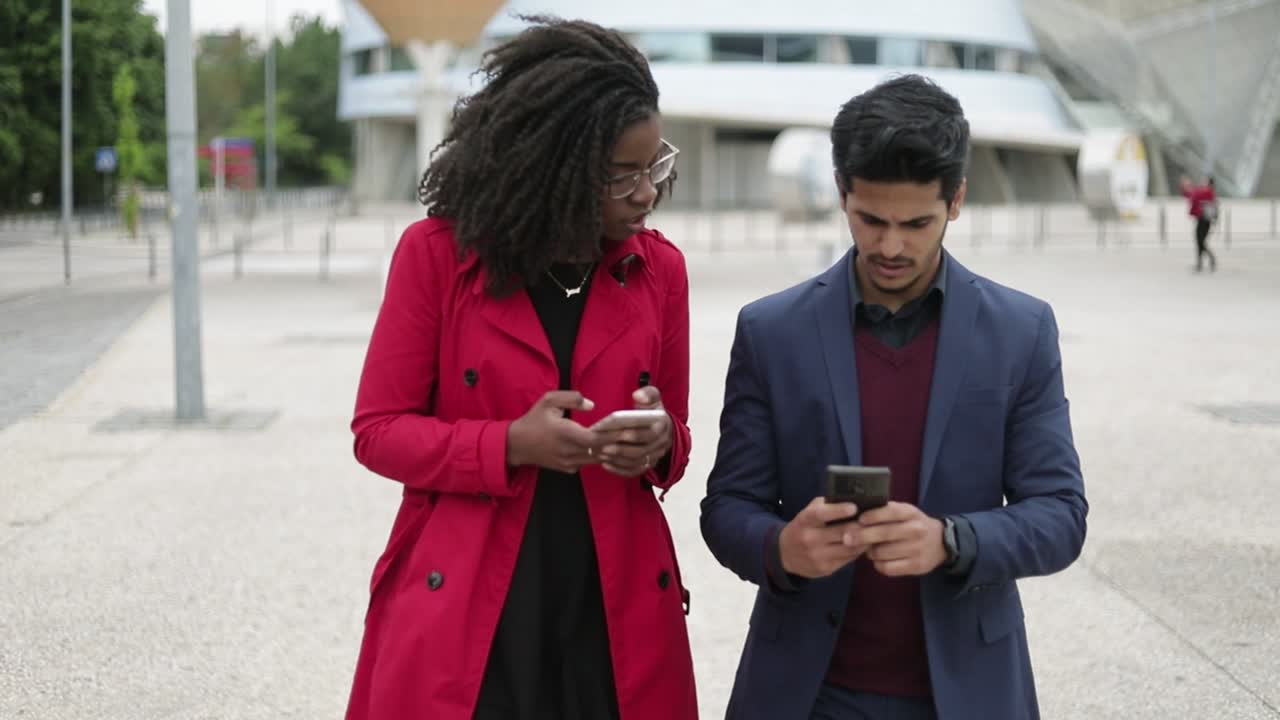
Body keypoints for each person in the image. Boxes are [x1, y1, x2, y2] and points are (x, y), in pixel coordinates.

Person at [700, 74, 1088, 720]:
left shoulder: (1022, 332)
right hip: (805, 694)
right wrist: (781, 549)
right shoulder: (771, 331)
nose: (889, 245)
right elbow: (727, 507)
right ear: (841, 192)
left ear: (957, 200)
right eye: (870, 219)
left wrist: (953, 540)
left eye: (916, 223)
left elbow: (1060, 515)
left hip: (966, 695)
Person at [344, 16, 696, 720]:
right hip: (473, 594)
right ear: (549, 168)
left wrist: (659, 443)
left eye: (653, 167)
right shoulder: (437, 256)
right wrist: (508, 444)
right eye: (620, 175)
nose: (645, 194)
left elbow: (677, 442)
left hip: (613, 597)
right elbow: (378, 432)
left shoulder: (660, 271)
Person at [1180, 174, 1218, 272]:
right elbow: (1190, 194)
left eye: (1205, 181)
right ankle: (1201, 262)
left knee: (1200, 241)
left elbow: (1194, 194)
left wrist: (1187, 186)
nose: (1202, 182)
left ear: (1209, 183)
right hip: (1201, 219)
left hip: (1205, 220)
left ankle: (1209, 259)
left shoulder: (1208, 191)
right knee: (1199, 241)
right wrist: (1186, 187)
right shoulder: (1204, 191)